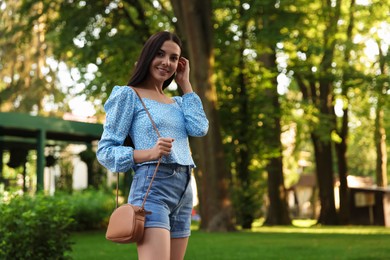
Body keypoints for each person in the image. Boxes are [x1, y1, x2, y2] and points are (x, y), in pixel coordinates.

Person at [96, 31, 209, 260]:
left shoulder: (178, 102)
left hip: (185, 189)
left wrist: (185, 83)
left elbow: (200, 128)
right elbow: (105, 151)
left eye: (174, 58)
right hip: (153, 187)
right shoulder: (129, 96)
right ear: (148, 56)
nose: (166, 62)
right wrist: (150, 153)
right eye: (160, 54)